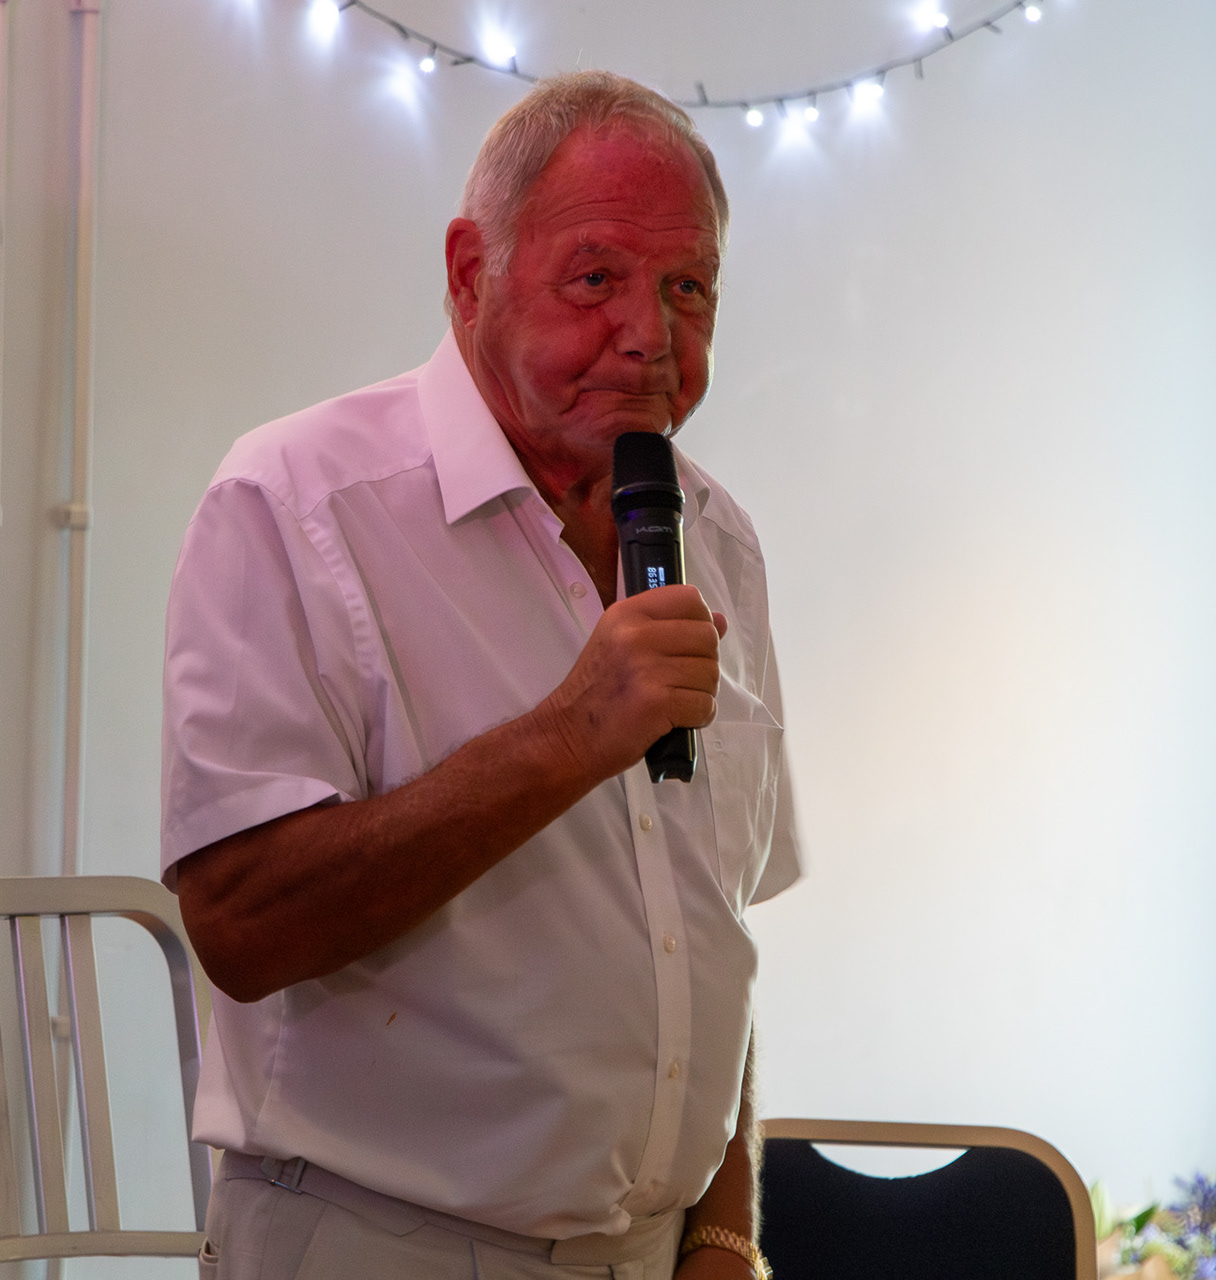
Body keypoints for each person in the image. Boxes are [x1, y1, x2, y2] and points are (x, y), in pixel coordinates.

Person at [161, 69, 799, 1280]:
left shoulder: (717, 537)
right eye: (596, 278)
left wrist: (724, 1225)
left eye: (689, 288)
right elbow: (241, 923)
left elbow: (705, 933)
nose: (651, 336)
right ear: (470, 272)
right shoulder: (294, 501)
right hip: (377, 1245)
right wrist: (567, 736)